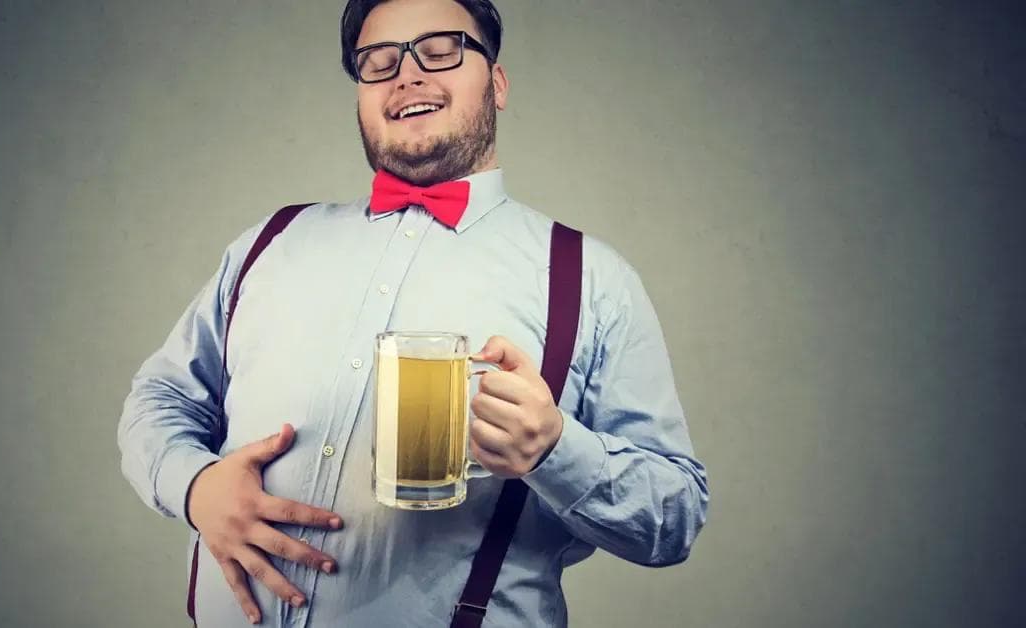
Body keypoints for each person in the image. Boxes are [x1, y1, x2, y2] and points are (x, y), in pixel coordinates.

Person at [117, 0, 709, 625]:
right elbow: (160, 399)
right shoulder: (271, 241)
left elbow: (673, 517)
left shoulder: (591, 278)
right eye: (379, 61)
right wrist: (195, 486)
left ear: (497, 83)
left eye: (440, 50)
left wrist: (556, 449)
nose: (408, 75)